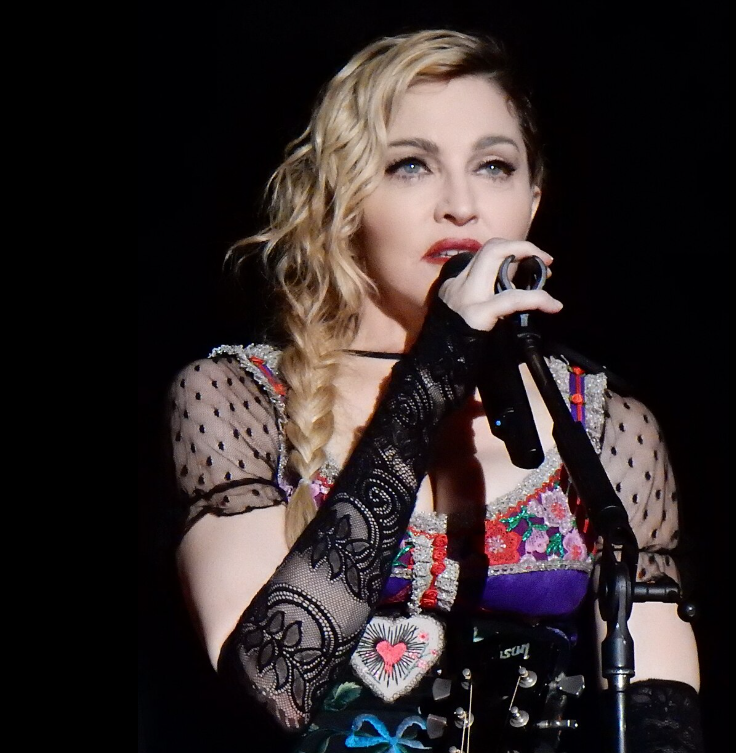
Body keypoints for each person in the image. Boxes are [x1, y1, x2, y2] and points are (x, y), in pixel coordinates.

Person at [166, 29, 704, 753]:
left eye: (493, 166)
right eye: (411, 165)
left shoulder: (604, 425)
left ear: (532, 201)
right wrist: (435, 368)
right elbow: (271, 680)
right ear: (343, 197)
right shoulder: (238, 397)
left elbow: (662, 720)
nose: (461, 205)